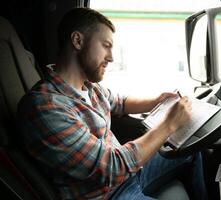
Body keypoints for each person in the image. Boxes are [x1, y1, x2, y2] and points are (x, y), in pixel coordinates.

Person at [17, 7, 207, 200]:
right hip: (107, 194)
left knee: (190, 148)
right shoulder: (45, 107)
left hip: (129, 176)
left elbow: (120, 102)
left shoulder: (90, 87)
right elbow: (111, 167)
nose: (112, 57)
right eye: (106, 45)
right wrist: (169, 124)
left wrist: (157, 101)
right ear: (77, 41)